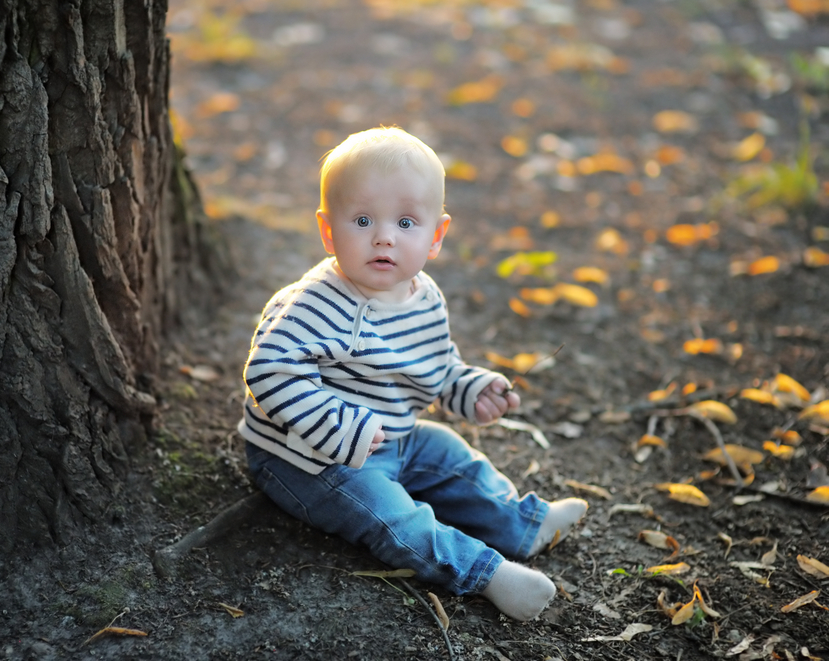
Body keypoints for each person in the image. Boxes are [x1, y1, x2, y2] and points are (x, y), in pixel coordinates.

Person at [237, 126, 587, 621]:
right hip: (310, 458)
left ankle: (523, 525)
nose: (384, 236)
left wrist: (469, 388)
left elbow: (436, 366)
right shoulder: (316, 302)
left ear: (436, 236)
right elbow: (270, 371)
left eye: (405, 222)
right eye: (362, 220)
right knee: (394, 515)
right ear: (327, 229)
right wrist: (343, 428)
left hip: (394, 435)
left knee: (452, 456)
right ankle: (487, 574)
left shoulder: (423, 297)